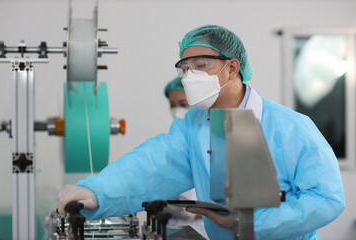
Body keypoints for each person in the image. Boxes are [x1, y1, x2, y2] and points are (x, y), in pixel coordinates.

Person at [57, 25, 345, 239]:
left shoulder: (291, 127)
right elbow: (152, 166)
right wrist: (97, 191)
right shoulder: (194, 125)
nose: (189, 76)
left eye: (200, 66)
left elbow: (327, 199)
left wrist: (250, 223)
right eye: (184, 68)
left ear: (233, 68)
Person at [164, 77, 208, 238]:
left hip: (203, 231)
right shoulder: (172, 143)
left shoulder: (214, 142)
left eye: (183, 104)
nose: (177, 110)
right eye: (172, 105)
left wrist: (195, 212)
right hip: (173, 229)